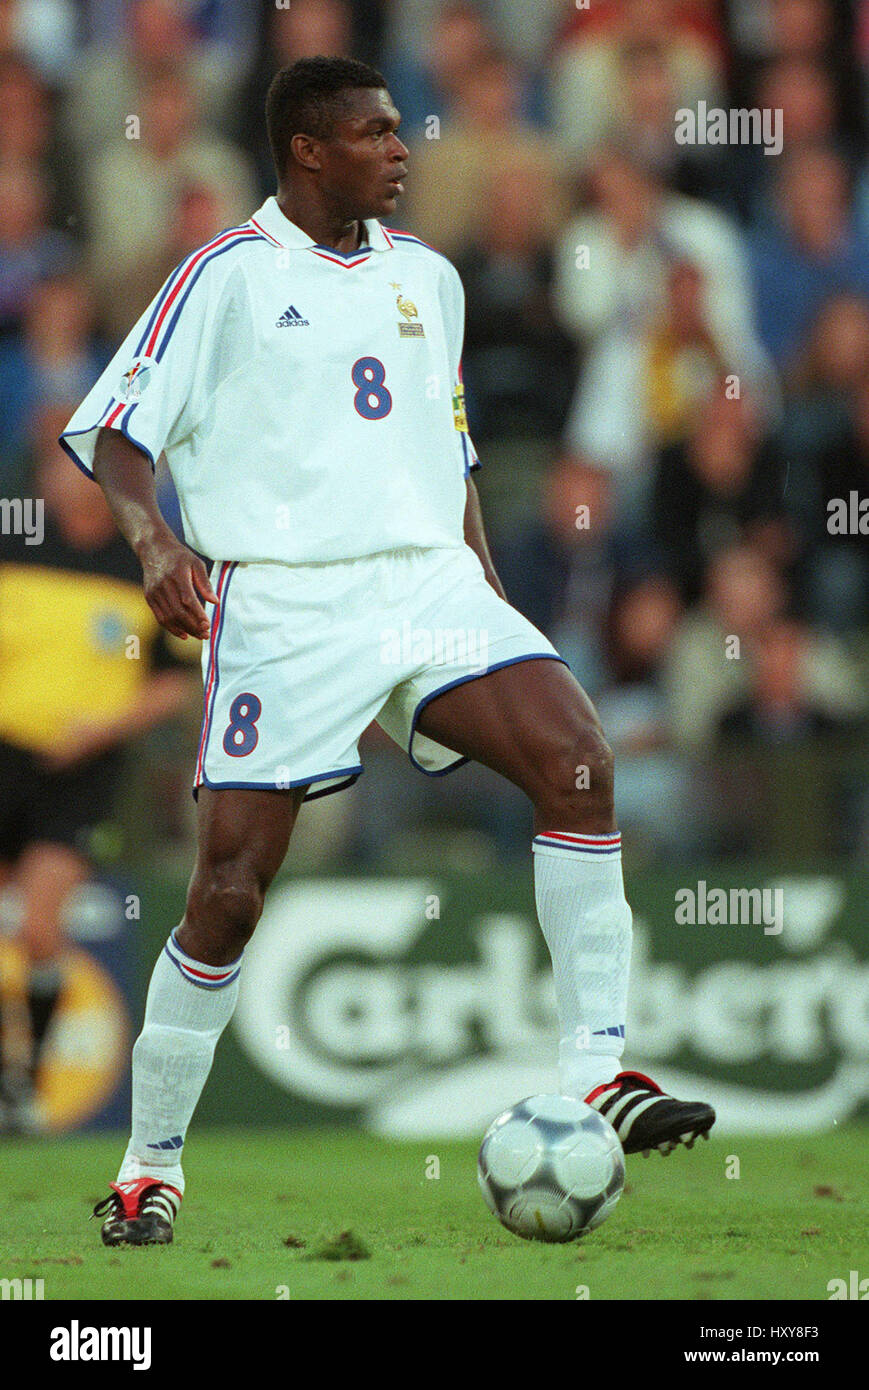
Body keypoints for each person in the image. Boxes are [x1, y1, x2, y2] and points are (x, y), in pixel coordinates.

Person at [60, 56, 714, 1248]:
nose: (400, 149)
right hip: (288, 605)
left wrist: (491, 598)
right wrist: (154, 543)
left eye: (397, 131)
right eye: (372, 133)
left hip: (426, 581)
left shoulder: (429, 276)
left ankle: (594, 1072)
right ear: (308, 151)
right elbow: (114, 431)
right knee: (227, 893)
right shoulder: (227, 278)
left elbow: (447, 447)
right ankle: (149, 1167)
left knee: (578, 759)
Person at [0, 417, 196, 1133]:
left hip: (81, 772)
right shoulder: (14, 539)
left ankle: (22, 1084)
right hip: (3, 753)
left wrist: (102, 729)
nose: (58, 479)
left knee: (41, 928)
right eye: (51, 466)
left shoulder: (142, 562)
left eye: (74, 466)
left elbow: (173, 685)